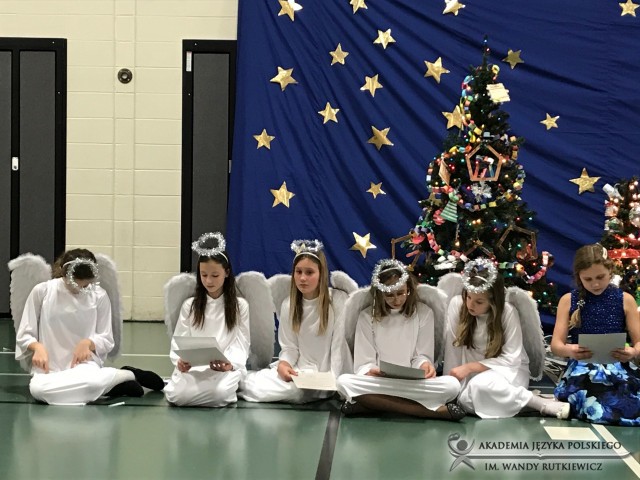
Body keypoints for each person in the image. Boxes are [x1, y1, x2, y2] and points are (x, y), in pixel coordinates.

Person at [15, 249, 164, 405]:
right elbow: (25, 333)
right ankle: (116, 380)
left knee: (92, 383)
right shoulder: (43, 291)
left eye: (86, 285)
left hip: (84, 365)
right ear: (64, 274)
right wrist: (37, 347)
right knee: (38, 390)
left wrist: (89, 343)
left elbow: (106, 339)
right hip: (49, 366)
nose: (80, 290)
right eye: (75, 285)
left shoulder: (99, 296)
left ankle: (120, 377)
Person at [336, 259, 463, 419]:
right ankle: (428, 411)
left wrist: (424, 365)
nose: (396, 300)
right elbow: (364, 363)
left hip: (411, 384)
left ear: (409, 289)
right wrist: (370, 371)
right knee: (343, 382)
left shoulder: (424, 313)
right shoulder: (367, 316)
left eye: (401, 293)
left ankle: (372, 404)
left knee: (452, 385)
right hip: (381, 382)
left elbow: (421, 356)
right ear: (380, 293)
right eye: (389, 295)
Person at [444, 258, 569, 419]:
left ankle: (539, 403)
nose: (470, 305)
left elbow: (511, 358)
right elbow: (452, 350)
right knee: (465, 401)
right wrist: (452, 386)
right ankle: (520, 404)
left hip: (507, 371)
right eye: (468, 297)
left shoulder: (507, 312)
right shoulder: (457, 305)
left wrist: (470, 367)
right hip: (469, 375)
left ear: (493, 302)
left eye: (479, 302)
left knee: (481, 386)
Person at [552, 244, 640, 425]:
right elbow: (556, 345)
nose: (595, 284)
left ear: (610, 271)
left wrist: (632, 352)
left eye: (600, 277)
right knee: (592, 396)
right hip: (583, 368)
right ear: (579, 277)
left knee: (628, 398)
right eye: (588, 279)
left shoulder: (626, 300)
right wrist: (570, 350)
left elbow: (639, 342)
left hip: (617, 367)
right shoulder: (568, 300)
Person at [239, 239, 336, 403]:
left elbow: (341, 348)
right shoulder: (289, 305)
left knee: (294, 392)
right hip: (298, 371)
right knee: (254, 382)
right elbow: (290, 347)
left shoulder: (335, 304)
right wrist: (284, 364)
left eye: (309, 272)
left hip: (324, 377)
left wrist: (334, 377)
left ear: (321, 274)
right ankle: (237, 382)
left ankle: (238, 386)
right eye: (298, 272)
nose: (302, 278)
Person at [164, 233, 250, 407]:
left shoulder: (240, 306)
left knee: (219, 394)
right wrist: (180, 362)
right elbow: (180, 340)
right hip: (194, 369)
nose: (209, 281)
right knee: (177, 396)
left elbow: (242, 343)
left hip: (224, 368)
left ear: (226, 273)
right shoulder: (190, 305)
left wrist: (230, 364)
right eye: (204, 275)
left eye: (215, 275)